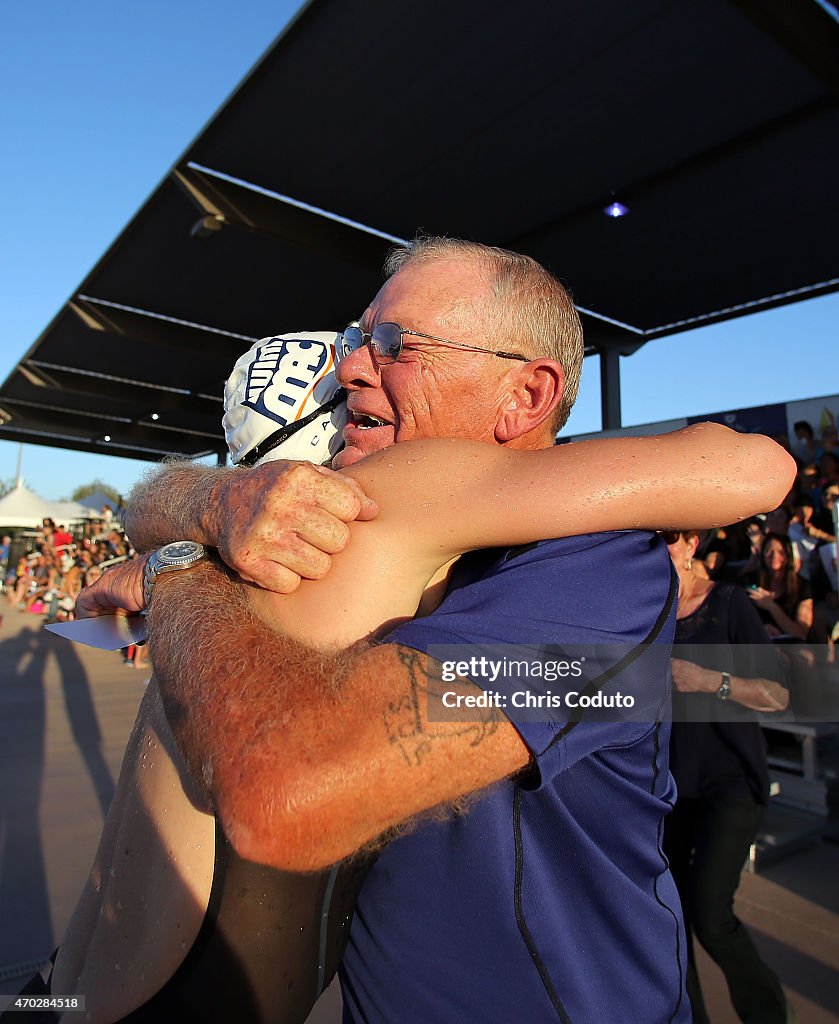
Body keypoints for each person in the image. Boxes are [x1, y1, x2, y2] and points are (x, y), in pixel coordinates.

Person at [74, 239, 796, 1023]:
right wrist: (211, 509)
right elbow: (148, 508)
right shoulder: (333, 527)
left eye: (395, 345)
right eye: (357, 339)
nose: (348, 366)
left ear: (524, 396)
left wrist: (180, 576)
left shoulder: (595, 567)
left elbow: (291, 789)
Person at [663, 530, 791, 1024]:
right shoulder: (644, 612)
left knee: (710, 914)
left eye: (671, 540)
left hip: (730, 783)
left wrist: (709, 681)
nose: (662, 549)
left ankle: (769, 1015)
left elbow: (777, 695)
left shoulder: (729, 602)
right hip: (668, 787)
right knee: (671, 919)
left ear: (693, 544)